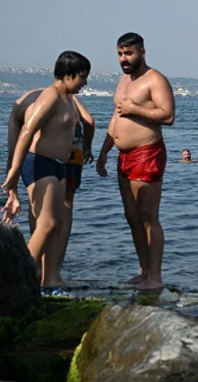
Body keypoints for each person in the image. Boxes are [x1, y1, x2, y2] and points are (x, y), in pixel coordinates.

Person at [2, 51, 90, 294]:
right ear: (68, 74)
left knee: (57, 223)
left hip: (59, 165)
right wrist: (13, 172)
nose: (85, 83)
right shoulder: (50, 97)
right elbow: (27, 133)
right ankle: (20, 281)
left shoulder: (68, 98)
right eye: (82, 77)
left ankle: (49, 282)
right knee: (47, 223)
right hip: (39, 163)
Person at [96, 32, 175, 291]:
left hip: (147, 153)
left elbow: (168, 115)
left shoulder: (155, 79)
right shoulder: (122, 81)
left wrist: (136, 110)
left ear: (142, 52)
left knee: (148, 216)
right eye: (120, 54)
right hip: (123, 155)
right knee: (131, 216)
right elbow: (117, 116)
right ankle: (143, 272)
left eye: (128, 53)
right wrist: (105, 149)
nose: (124, 59)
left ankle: (156, 277)